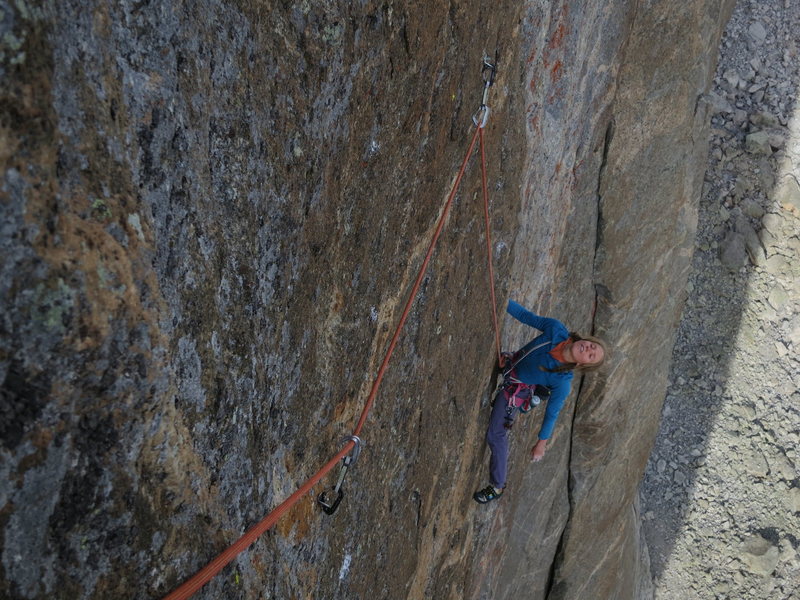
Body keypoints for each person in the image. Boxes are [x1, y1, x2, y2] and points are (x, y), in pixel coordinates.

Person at [473, 300, 607, 504]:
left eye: (591, 355)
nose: (588, 348)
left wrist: (541, 444)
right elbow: (527, 317)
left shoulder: (562, 383)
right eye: (591, 345)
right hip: (512, 366)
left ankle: (497, 486)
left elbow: (552, 414)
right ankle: (535, 393)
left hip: (516, 389)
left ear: (582, 364)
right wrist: (502, 299)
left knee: (496, 433)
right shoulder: (556, 330)